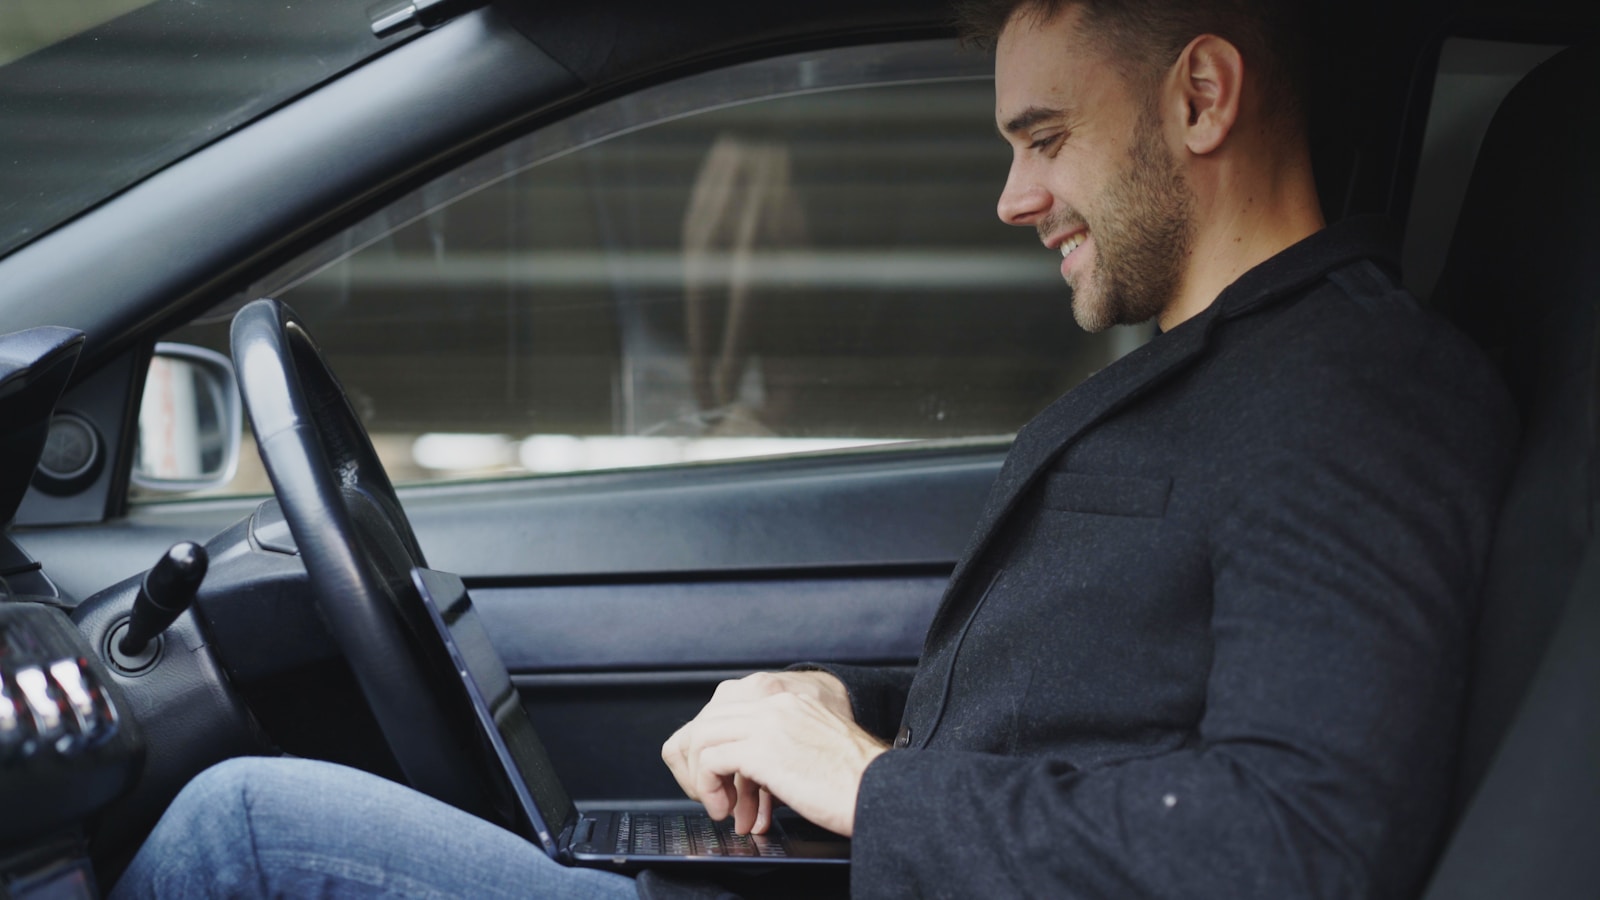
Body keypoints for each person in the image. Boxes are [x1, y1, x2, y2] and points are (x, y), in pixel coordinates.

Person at [111, 0, 1518, 898]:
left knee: (245, 836)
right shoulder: (1223, 370)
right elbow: (1109, 706)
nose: (1012, 197)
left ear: (1203, 97)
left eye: (1044, 137)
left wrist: (866, 781)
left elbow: (1302, 845)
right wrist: (839, 719)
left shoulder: (1354, 392)